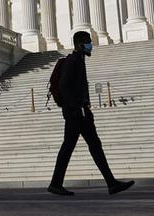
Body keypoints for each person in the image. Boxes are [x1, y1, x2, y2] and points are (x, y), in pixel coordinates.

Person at [48, 31, 135, 196]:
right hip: (75, 113)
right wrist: (76, 108)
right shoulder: (73, 61)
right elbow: (64, 85)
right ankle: (56, 183)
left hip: (81, 112)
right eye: (88, 42)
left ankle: (111, 183)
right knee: (70, 147)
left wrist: (84, 107)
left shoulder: (79, 60)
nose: (91, 45)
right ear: (80, 44)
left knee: (94, 145)